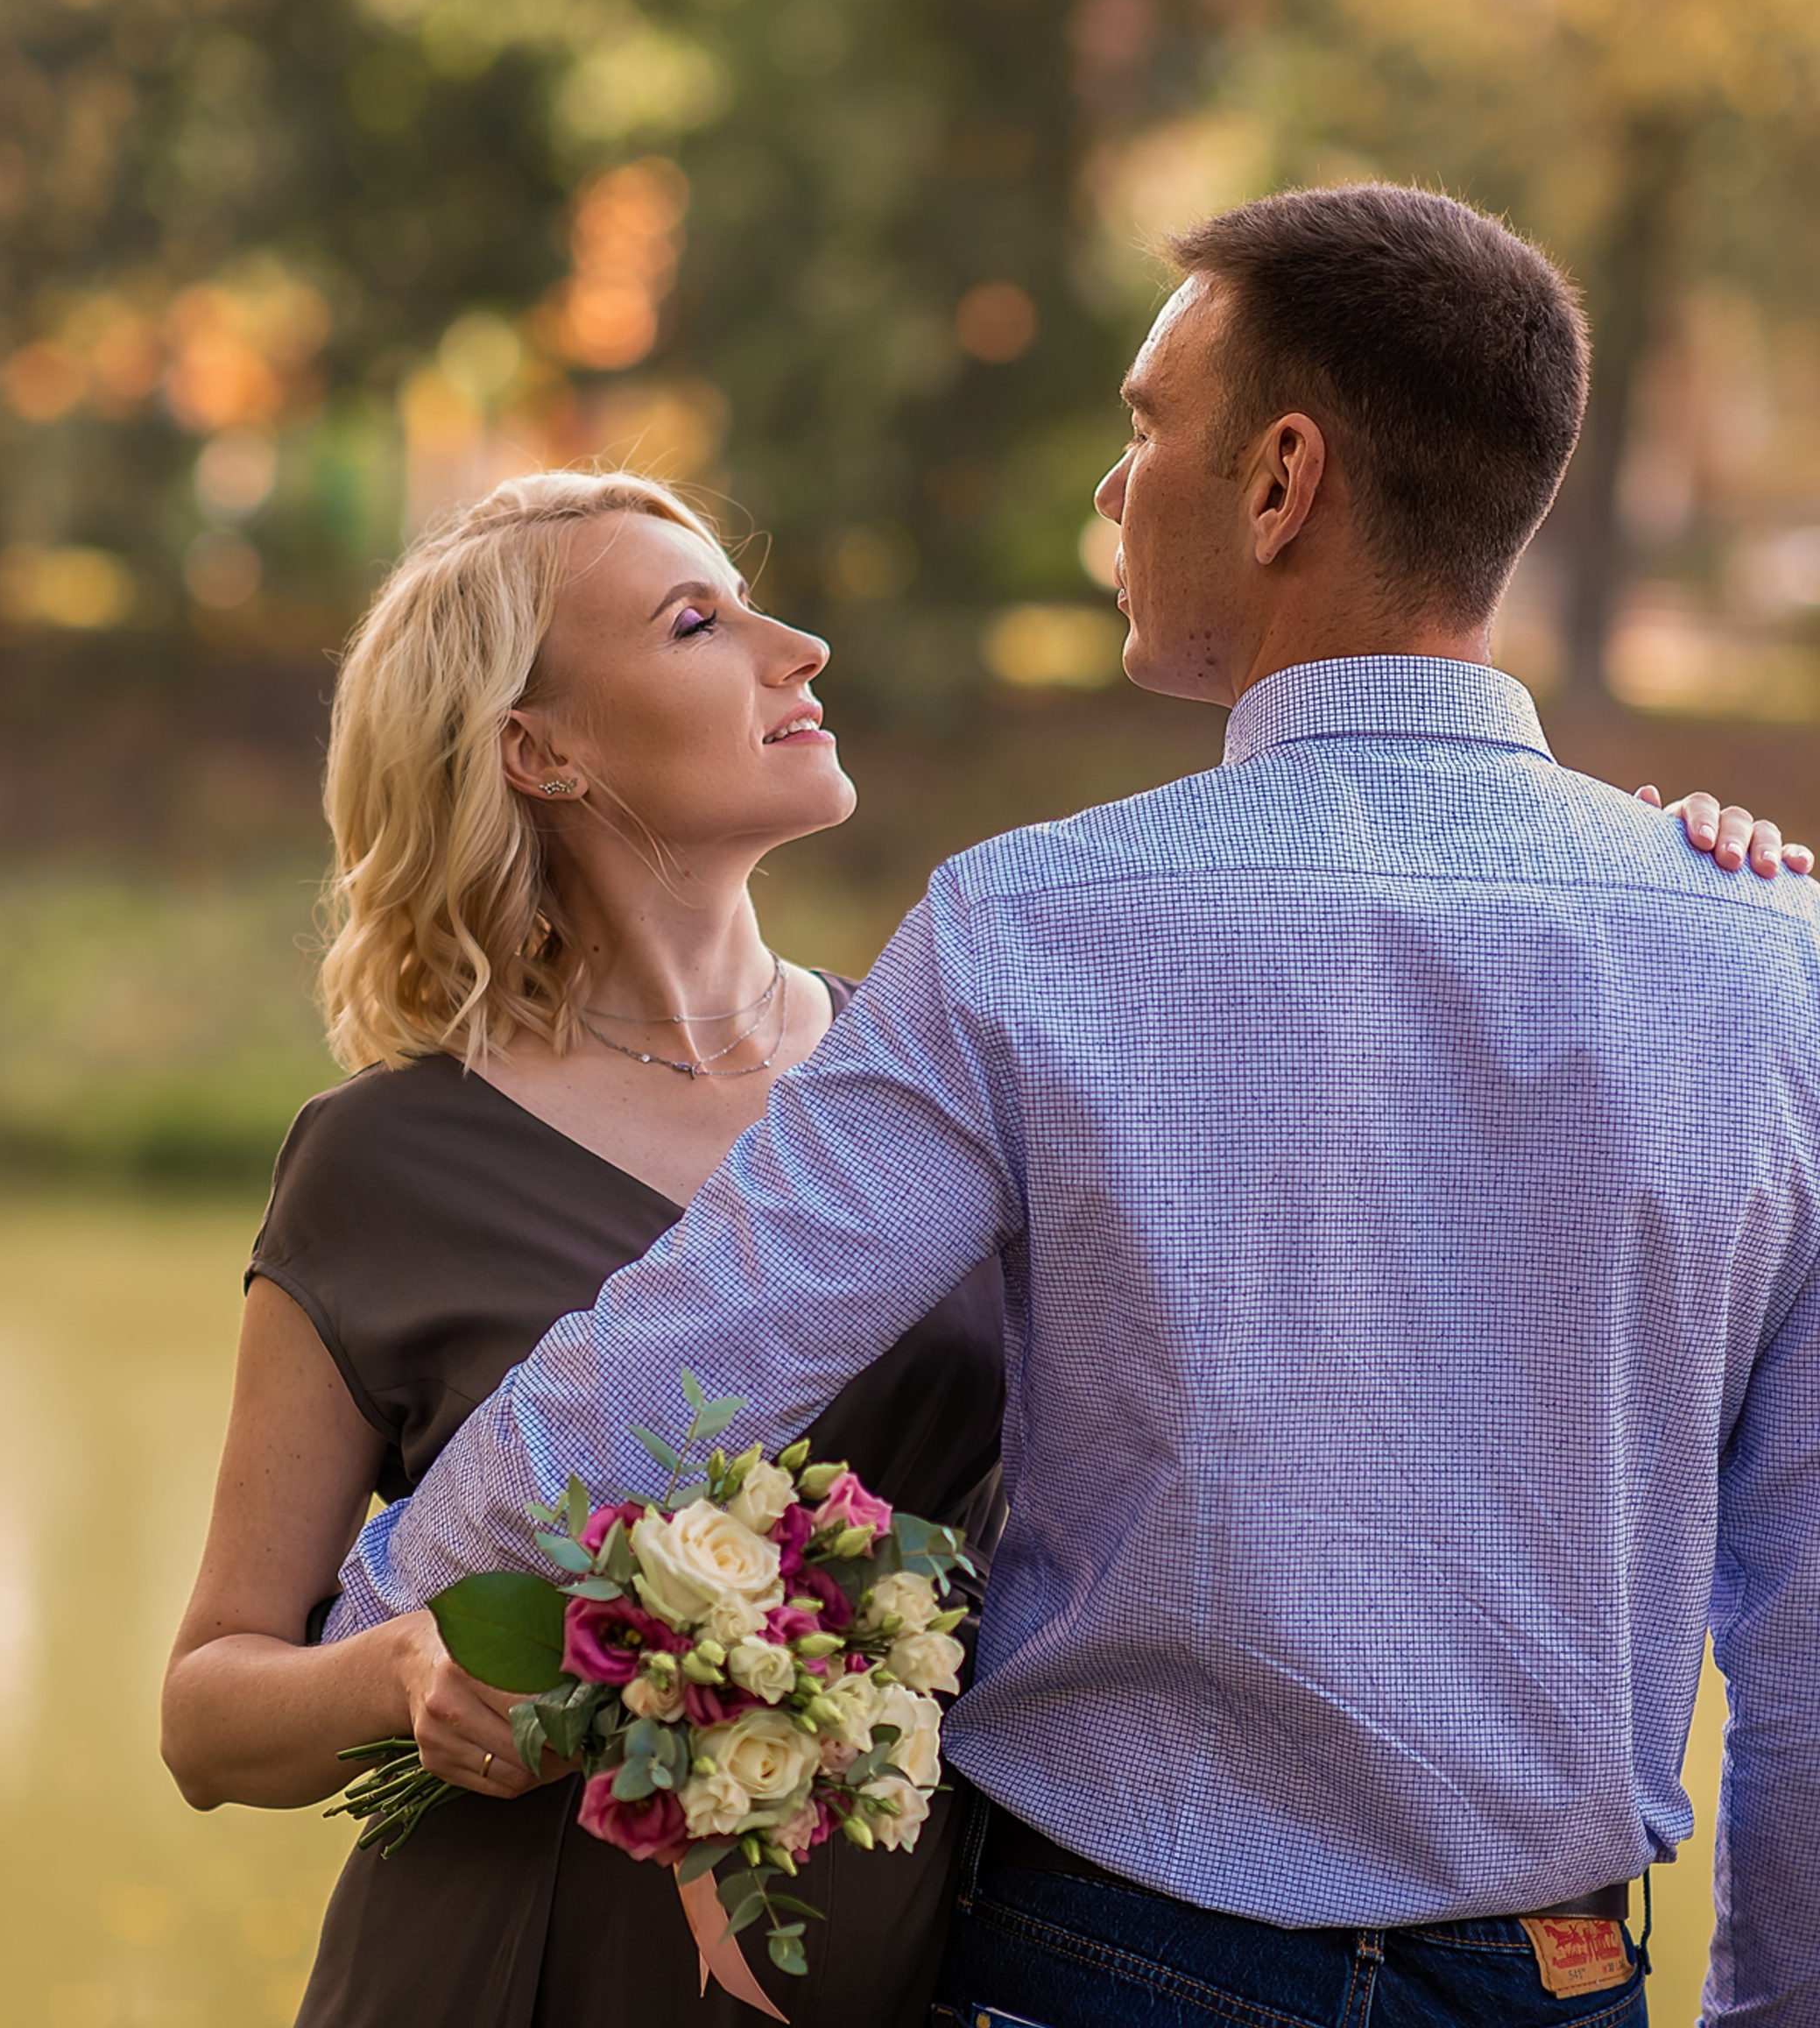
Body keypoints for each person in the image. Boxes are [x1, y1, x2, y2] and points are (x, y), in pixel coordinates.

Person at [314, 187, 1820, 2026]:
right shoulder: (1768, 956)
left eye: (1140, 427)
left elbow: (691, 1348)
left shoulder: (1023, 925)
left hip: (1103, 1967)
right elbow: (1805, 1627)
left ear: (1277, 483)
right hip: (1555, 1975)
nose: (1111, 492)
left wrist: (378, 1603)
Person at [160, 470, 1011, 2027]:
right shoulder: (385, 1160)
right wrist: (399, 1673)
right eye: (700, 622)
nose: (801, 644)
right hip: (505, 1972)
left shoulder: (934, 1085)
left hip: (914, 1975)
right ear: (537, 750)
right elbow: (209, 1718)